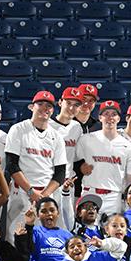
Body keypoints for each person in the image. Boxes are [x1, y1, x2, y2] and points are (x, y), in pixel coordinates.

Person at [4, 91, 67, 243]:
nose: (45, 108)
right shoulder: (18, 129)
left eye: (49, 106)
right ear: (32, 106)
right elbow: (12, 165)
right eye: (41, 104)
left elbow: (60, 173)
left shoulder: (56, 136)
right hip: (22, 191)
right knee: (16, 237)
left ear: (53, 110)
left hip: (46, 194)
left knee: (44, 241)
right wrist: (31, 191)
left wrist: (43, 197)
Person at [75, 100, 131, 216]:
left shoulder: (128, 146)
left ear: (119, 119)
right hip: (90, 193)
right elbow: (76, 166)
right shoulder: (85, 139)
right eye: (106, 114)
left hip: (114, 197)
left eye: (113, 114)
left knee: (112, 233)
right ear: (100, 117)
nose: (110, 118)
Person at [49, 87, 84, 230]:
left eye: (76, 105)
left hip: (66, 183)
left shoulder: (77, 128)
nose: (71, 107)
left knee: (65, 225)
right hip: (47, 182)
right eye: (68, 102)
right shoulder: (47, 125)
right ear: (60, 102)